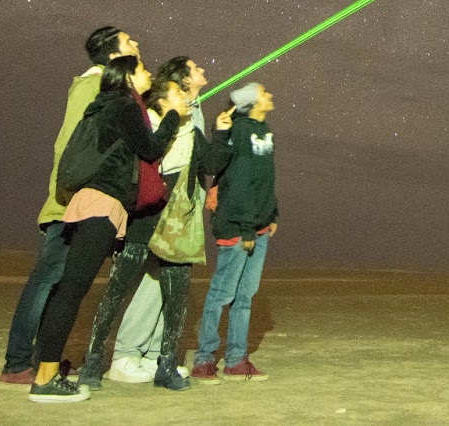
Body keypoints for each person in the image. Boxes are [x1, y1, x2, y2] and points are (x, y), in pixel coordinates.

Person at [27, 53, 186, 403]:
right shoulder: (125, 106)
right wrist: (174, 116)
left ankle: (44, 370)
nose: (149, 73)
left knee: (69, 288)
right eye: (142, 69)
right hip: (102, 202)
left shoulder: (104, 106)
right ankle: (45, 379)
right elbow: (151, 149)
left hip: (89, 201)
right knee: (72, 290)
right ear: (128, 77)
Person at [77, 57, 232, 392]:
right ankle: (93, 360)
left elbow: (211, 163)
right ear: (162, 101)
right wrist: (174, 118)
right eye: (177, 94)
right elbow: (149, 154)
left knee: (176, 302)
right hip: (143, 221)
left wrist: (221, 133)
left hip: (177, 226)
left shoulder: (191, 132)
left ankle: (166, 365)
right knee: (116, 292)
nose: (185, 99)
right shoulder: (148, 125)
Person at [0, 26, 138, 386]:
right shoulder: (92, 86)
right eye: (129, 42)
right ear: (113, 55)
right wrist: (72, 195)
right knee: (47, 280)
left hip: (80, 201)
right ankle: (17, 363)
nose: (137, 44)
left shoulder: (109, 91)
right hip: (71, 203)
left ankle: (38, 360)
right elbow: (73, 144)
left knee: (59, 283)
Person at [192, 81, 278, 383]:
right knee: (222, 293)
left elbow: (264, 179)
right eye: (264, 93)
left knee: (244, 296)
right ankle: (204, 359)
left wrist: (272, 214)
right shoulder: (240, 131)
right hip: (239, 226)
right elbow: (239, 183)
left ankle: (236, 360)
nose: (270, 95)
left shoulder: (264, 132)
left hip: (257, 226)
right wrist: (247, 228)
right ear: (251, 103)